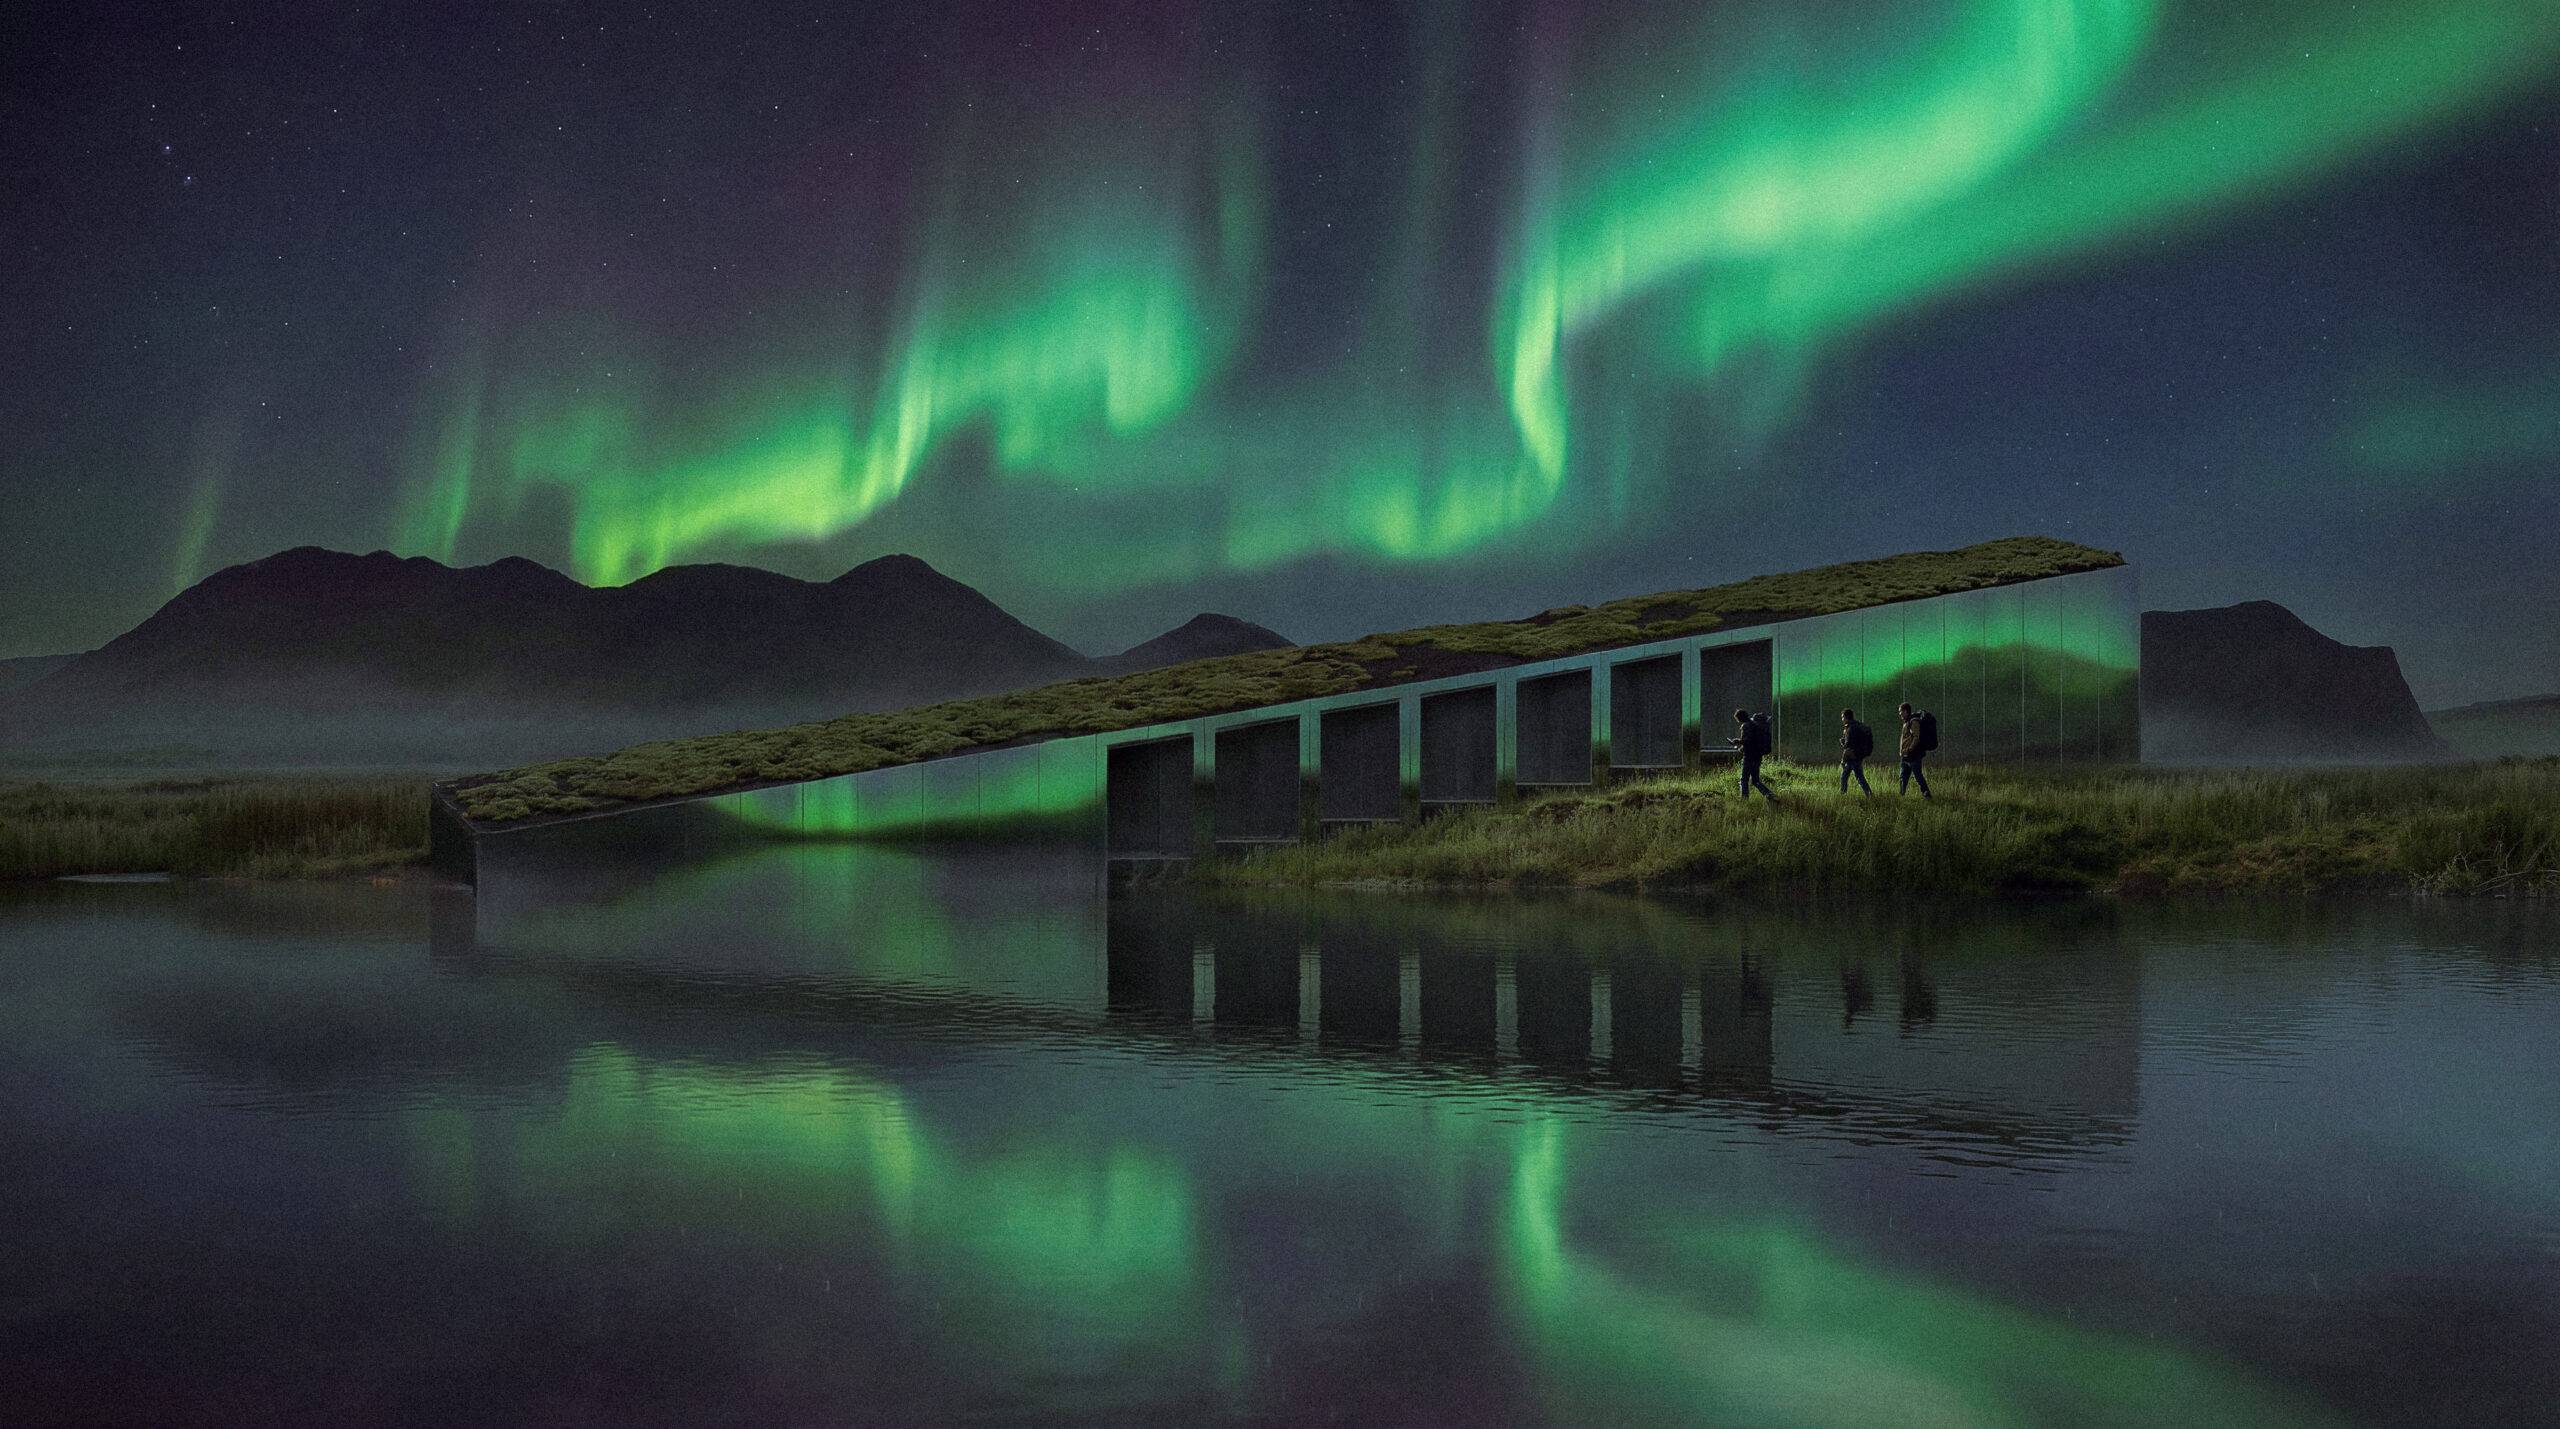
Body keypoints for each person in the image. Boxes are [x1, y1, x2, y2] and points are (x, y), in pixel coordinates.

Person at [1733, 707, 1777, 803]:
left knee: (1744, 779)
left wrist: (1738, 741)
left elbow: (1748, 741)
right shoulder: (1755, 724)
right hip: (1757, 756)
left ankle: (1744, 801)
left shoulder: (1746, 726)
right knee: (1755, 781)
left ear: (1740, 718)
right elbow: (1753, 742)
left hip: (1749, 757)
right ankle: (1771, 796)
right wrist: (1741, 746)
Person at [1897, 701, 1934, 799]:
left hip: (1913, 755)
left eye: (1900, 711)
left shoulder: (1913, 722)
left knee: (1917, 776)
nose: (1899, 714)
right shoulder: (1907, 722)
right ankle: (1901, 795)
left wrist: (1909, 749)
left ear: (1906, 711)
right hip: (1905, 756)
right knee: (1903, 777)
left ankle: (1926, 794)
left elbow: (1916, 737)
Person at [1839, 707, 1874, 795]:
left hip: (1852, 757)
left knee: (1849, 777)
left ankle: (1843, 794)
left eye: (1843, 717)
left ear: (1846, 717)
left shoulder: (1850, 729)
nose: (1842, 719)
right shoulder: (1857, 725)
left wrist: (1843, 760)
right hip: (1858, 755)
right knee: (1857, 777)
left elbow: (1848, 746)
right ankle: (1869, 794)